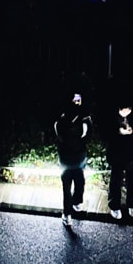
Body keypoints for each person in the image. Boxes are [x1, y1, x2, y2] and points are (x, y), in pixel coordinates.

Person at [54, 90, 90, 227]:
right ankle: (76, 203)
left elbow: (59, 138)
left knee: (66, 187)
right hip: (79, 158)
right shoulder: (84, 122)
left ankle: (67, 213)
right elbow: (87, 137)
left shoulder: (59, 122)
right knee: (80, 182)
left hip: (65, 160)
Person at [108, 102, 133, 221]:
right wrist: (119, 132)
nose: (126, 112)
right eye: (123, 110)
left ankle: (132, 203)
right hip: (116, 154)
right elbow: (106, 133)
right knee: (116, 181)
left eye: (128, 110)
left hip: (132, 153)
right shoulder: (111, 115)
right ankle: (114, 206)